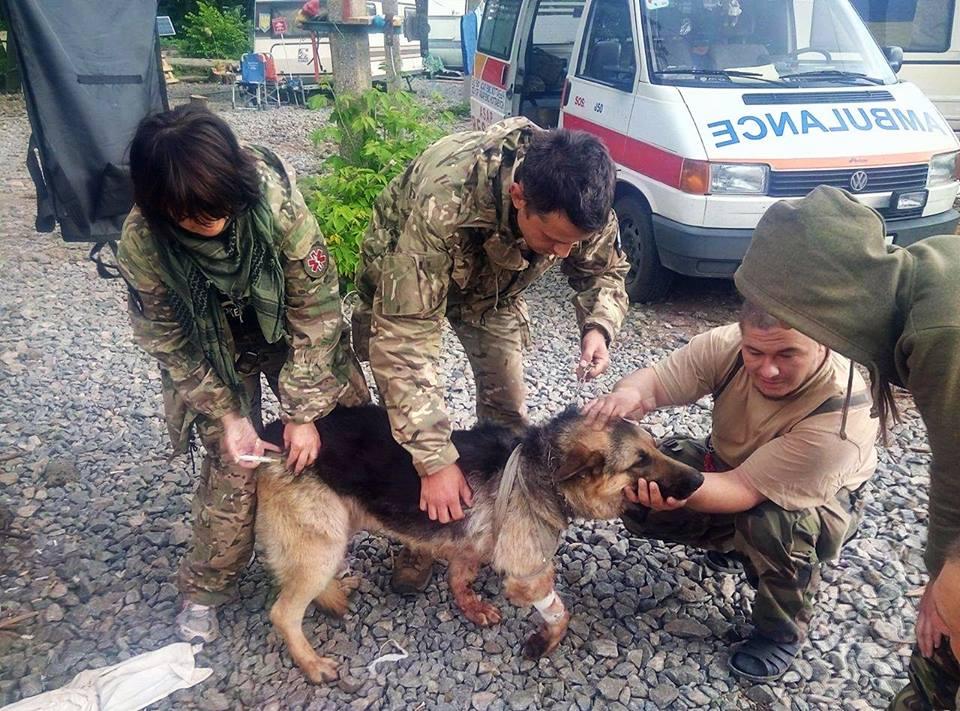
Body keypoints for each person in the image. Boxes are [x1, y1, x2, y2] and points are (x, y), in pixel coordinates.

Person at [117, 105, 369, 643]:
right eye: (193, 216)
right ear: (158, 205)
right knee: (235, 465)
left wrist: (301, 412)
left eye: (221, 209)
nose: (213, 223)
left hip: (291, 332)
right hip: (213, 351)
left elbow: (317, 308)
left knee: (343, 432)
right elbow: (169, 341)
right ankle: (207, 588)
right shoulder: (142, 242)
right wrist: (228, 414)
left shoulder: (270, 199)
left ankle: (320, 552)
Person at [352, 117, 629, 594]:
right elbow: (404, 342)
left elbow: (605, 271)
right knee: (407, 423)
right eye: (552, 240)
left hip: (492, 294)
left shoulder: (582, 195)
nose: (563, 255)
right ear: (520, 197)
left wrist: (598, 326)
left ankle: (500, 526)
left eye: (574, 242)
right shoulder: (445, 198)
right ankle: (421, 538)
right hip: (406, 286)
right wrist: (435, 460)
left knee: (509, 418)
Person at [735, 185, 960, 707]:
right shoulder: (928, 274)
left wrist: (945, 580)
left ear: (819, 299)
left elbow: (956, 477)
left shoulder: (940, 328)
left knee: (942, 654)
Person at [584, 301, 879, 681]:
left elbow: (742, 490)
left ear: (823, 343)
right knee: (657, 471)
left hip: (813, 498)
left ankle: (781, 630)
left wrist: (674, 492)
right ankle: (729, 544)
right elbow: (654, 383)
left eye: (787, 354)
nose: (768, 369)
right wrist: (627, 395)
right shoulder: (730, 345)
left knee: (775, 524)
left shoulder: (841, 416)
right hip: (731, 463)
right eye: (755, 353)